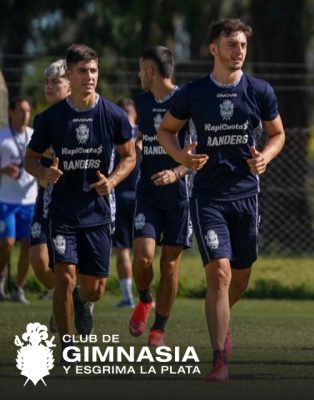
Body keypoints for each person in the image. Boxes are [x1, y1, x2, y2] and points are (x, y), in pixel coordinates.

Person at [157, 18, 286, 382]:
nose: (238, 51)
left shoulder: (260, 90)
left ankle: (221, 318)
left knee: (240, 278)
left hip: (246, 196)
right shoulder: (194, 93)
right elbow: (166, 130)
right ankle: (218, 359)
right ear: (214, 48)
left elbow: (277, 135)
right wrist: (182, 158)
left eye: (243, 45)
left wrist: (266, 156)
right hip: (208, 197)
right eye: (231, 44)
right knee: (220, 273)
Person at [24, 44, 136, 353]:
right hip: (61, 210)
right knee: (64, 276)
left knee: (95, 289)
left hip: (98, 211)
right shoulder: (51, 119)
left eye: (94, 71)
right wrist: (42, 174)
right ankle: (67, 343)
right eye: (82, 71)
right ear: (70, 75)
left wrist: (112, 181)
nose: (89, 77)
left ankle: (81, 303)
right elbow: (30, 158)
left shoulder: (113, 114)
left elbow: (129, 157)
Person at [128, 45, 193, 348]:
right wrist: (139, 146)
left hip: (180, 195)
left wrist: (176, 172)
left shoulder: (186, 102)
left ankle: (159, 329)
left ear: (151, 71)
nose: (138, 75)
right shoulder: (142, 102)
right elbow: (143, 135)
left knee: (169, 265)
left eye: (141, 69)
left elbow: (197, 152)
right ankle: (144, 298)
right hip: (148, 192)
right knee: (142, 257)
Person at [28, 60, 70, 307]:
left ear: (70, 85)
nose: (49, 86)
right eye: (46, 82)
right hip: (45, 198)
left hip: (75, 200)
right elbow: (32, 158)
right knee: (39, 261)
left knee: (82, 276)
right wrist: (43, 172)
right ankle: (66, 297)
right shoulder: (42, 119)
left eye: (55, 81)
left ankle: (68, 300)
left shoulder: (85, 116)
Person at [0, 97, 37, 305]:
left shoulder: (34, 136)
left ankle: (19, 288)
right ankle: (1, 279)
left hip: (30, 200)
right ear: (11, 112)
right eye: (21, 110)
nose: (25, 114)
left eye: (28, 110)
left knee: (29, 245)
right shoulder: (2, 137)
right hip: (6, 199)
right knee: (7, 242)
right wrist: (4, 169)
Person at [113, 98, 140, 308]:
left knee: (122, 249)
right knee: (144, 250)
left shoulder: (113, 134)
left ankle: (127, 296)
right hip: (143, 198)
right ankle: (145, 296)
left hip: (119, 196)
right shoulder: (145, 133)